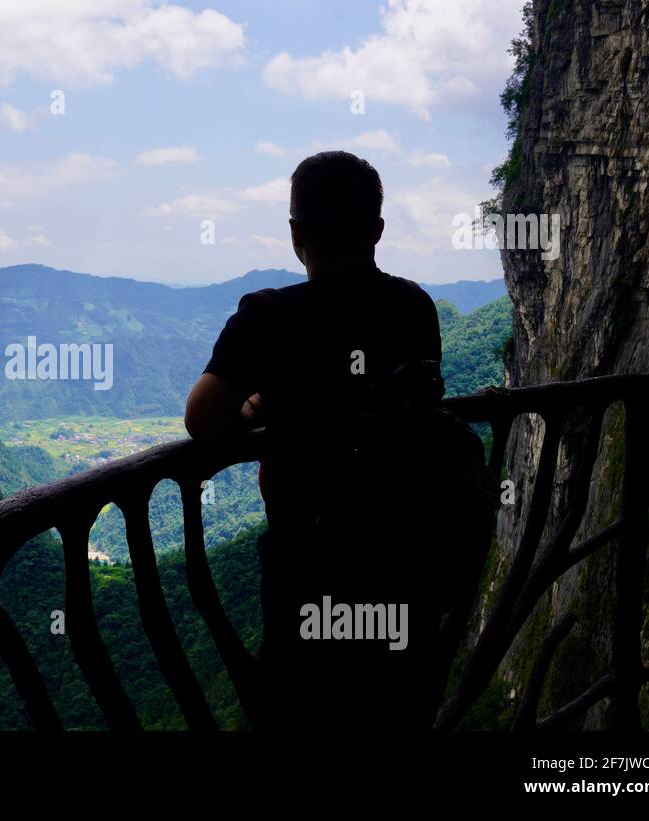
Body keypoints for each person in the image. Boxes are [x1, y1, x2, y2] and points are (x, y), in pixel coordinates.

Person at [184, 151, 488, 732]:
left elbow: (202, 417)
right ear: (377, 230)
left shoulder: (268, 315)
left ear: (296, 234)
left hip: (313, 565)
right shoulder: (415, 306)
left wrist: (258, 406)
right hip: (408, 556)